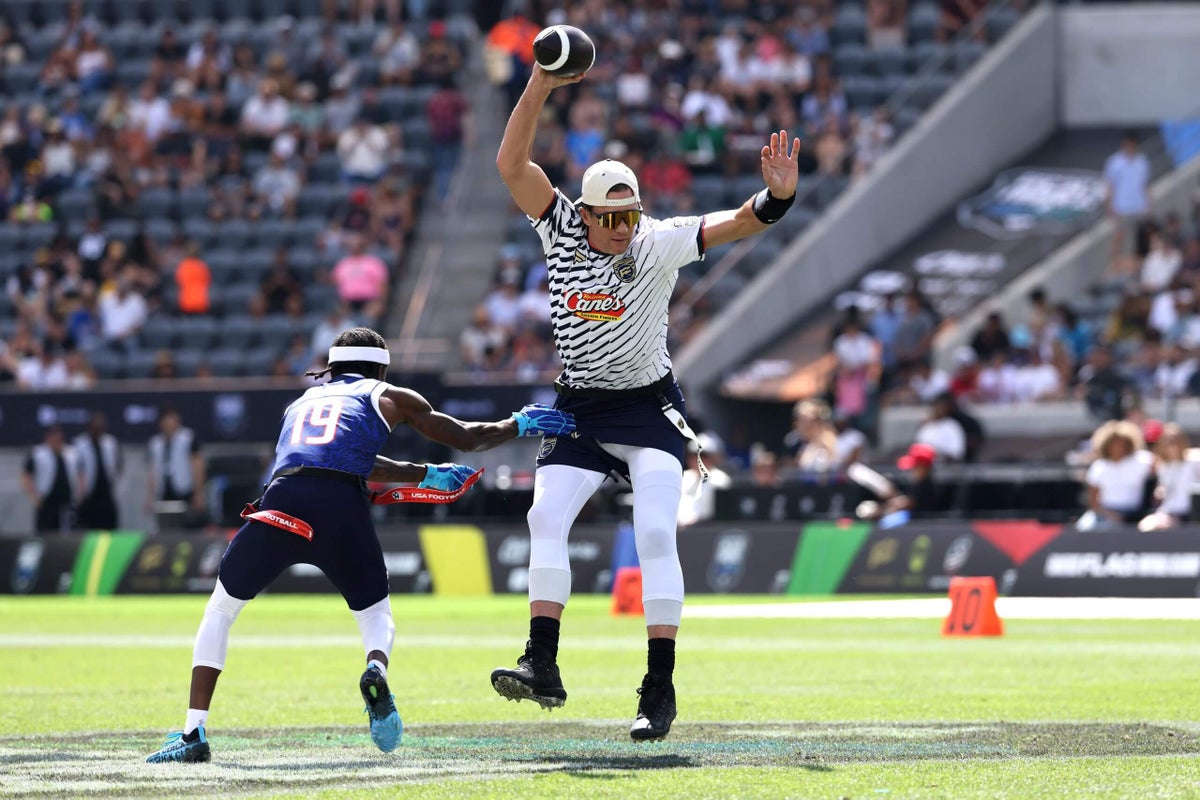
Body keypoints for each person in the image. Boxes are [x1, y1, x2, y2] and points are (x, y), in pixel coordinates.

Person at [490, 62, 801, 741]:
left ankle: (659, 688)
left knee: (656, 532)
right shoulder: (560, 228)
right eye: (614, 218)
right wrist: (540, 85)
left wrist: (776, 199)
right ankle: (541, 663)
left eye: (632, 214)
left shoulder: (657, 239)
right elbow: (511, 162)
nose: (626, 227)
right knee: (545, 517)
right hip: (578, 409)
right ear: (589, 213)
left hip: (646, 409)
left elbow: (739, 223)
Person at [146, 327, 575, 763]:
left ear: (331, 367)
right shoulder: (390, 395)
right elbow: (466, 437)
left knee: (221, 610)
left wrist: (421, 473)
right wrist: (516, 424)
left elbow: (333, 457)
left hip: (283, 500)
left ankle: (193, 729)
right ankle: (376, 668)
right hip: (340, 505)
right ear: (381, 367)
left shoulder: (300, 403)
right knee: (375, 613)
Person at [1077, 420, 1154, 531]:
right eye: (1114, 444)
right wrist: (1110, 515)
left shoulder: (1141, 460)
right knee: (1084, 527)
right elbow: (1093, 503)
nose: (1119, 447)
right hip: (1106, 513)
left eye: (1122, 443)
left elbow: (1161, 466)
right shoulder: (1099, 467)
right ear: (1106, 445)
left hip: (1134, 513)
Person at [146, 407, 206, 525]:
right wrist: (149, 497)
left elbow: (197, 465)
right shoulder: (155, 444)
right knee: (166, 526)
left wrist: (198, 493)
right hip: (164, 491)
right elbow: (152, 471)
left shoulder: (187, 438)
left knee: (187, 524)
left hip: (184, 490)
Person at [22, 425, 80, 533]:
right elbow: (26, 476)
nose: (56, 442)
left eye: (59, 439)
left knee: (68, 532)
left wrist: (79, 494)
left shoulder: (71, 453)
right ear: (47, 439)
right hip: (46, 502)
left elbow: (80, 474)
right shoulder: (38, 454)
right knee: (45, 533)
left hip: (67, 502)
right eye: (53, 439)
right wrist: (33, 496)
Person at [74, 412, 122, 531]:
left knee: (110, 527)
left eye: (100, 428)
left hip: (106, 494)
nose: (97, 431)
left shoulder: (110, 443)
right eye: (95, 428)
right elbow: (77, 469)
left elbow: (118, 464)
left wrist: (115, 480)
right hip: (88, 496)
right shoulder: (80, 444)